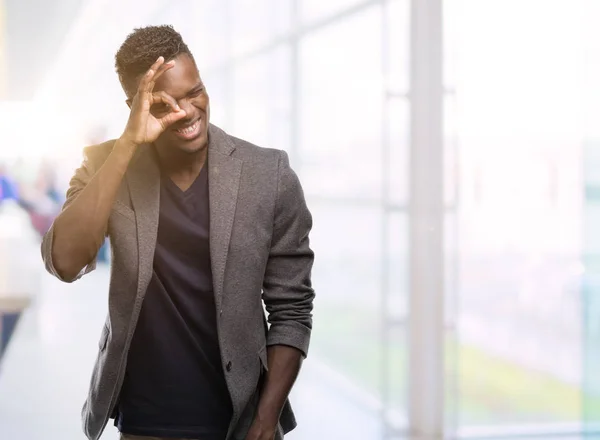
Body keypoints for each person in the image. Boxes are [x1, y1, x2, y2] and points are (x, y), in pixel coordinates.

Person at [41, 25, 315, 440]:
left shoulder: (268, 174)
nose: (187, 111)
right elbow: (64, 262)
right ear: (134, 106)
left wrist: (265, 420)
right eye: (164, 103)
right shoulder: (104, 164)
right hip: (145, 419)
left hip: (238, 420)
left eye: (195, 92)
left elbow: (291, 309)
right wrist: (128, 146)